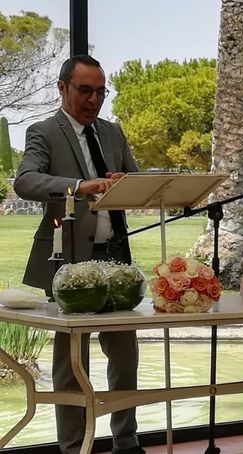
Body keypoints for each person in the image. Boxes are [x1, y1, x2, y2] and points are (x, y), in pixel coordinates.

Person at [14, 55, 144, 454]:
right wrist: (81, 186)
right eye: (84, 90)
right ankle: (73, 447)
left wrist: (125, 182)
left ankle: (127, 441)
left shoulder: (112, 132)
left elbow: (136, 181)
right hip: (66, 260)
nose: (93, 99)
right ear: (62, 88)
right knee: (71, 364)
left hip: (117, 259)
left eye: (100, 91)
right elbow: (27, 181)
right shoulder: (43, 131)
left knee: (125, 357)